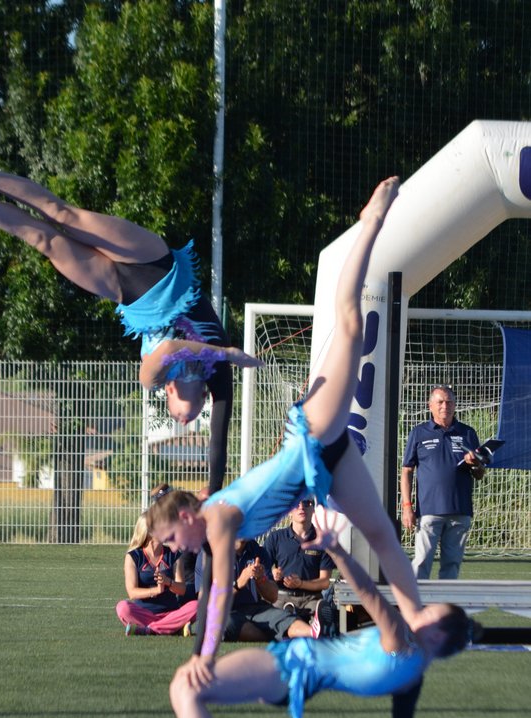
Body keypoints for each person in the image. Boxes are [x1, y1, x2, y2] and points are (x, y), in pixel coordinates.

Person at [147, 176, 426, 678]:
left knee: (350, 323)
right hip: (327, 457)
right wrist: (201, 655)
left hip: (312, 435)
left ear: (187, 517)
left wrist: (203, 659)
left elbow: (216, 595)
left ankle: (372, 222)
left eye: (170, 537)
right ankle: (410, 629)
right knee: (383, 535)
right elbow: (209, 593)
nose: (172, 548)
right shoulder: (210, 527)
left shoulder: (220, 519)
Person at [0, 141, 263, 497]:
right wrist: (215, 488)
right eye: (187, 419)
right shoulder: (217, 375)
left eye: (177, 418)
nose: (183, 421)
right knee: (62, 214)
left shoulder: (157, 378)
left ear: (169, 392)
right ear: (202, 397)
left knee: (44, 239)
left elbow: (169, 349)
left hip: (123, 291)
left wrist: (227, 353)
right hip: (156, 264)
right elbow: (219, 439)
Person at [155, 506, 480, 718]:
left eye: (430, 613)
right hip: (295, 678)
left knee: (186, 686)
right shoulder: (414, 674)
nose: (422, 611)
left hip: (287, 667)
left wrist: (335, 548)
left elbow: (368, 591)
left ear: (437, 636)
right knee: (191, 688)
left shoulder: (398, 641)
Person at [400, 384, 486, 580]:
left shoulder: (467, 433)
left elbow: (480, 473)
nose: (445, 406)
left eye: (449, 402)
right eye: (440, 402)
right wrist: (406, 507)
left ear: (455, 405)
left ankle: (446, 600)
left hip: (460, 510)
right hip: (428, 510)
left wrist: (475, 465)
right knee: (421, 561)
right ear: (430, 405)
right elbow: (406, 471)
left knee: (452, 565)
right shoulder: (419, 433)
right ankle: (415, 599)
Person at [194, 537, 320, 642]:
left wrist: (261, 579)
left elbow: (273, 597)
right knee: (226, 624)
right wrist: (238, 584)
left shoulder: (257, 551)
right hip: (222, 612)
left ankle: (314, 633)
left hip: (255, 609)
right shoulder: (210, 552)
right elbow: (205, 601)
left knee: (283, 617)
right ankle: (280, 635)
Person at [115, 514, 198, 636]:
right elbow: (132, 593)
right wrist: (156, 590)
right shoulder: (133, 556)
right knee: (122, 607)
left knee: (197, 606)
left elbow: (181, 589)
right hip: (143, 614)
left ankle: (147, 629)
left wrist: (168, 582)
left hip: (170, 614)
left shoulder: (174, 555)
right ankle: (172, 628)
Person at [263, 498, 334, 622]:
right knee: (273, 621)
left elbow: (324, 582)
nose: (301, 507)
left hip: (312, 599)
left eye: (306, 503)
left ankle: (313, 623)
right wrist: (272, 573)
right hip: (281, 597)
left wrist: (301, 584)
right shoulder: (276, 538)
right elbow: (262, 569)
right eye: (296, 504)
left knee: (323, 619)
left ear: (313, 509)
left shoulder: (322, 540)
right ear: (289, 511)